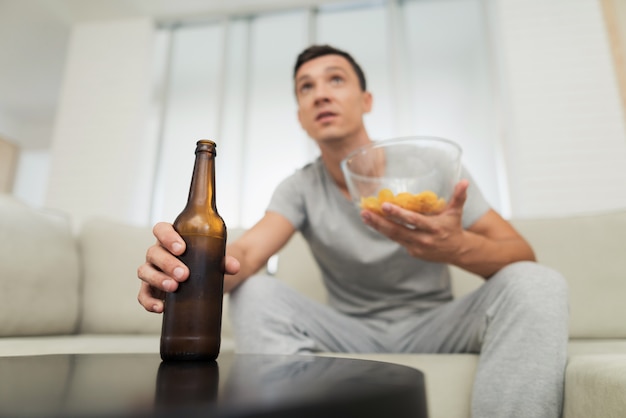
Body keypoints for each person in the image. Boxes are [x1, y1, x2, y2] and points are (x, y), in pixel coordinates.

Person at [137, 44, 568, 418]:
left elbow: (520, 252)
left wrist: (455, 248)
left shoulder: (433, 167)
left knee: (537, 283)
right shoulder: (300, 187)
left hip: (437, 325)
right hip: (350, 331)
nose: (321, 93)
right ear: (301, 118)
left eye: (335, 80)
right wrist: (186, 274)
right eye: (306, 87)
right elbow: (246, 256)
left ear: (366, 100)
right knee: (256, 291)